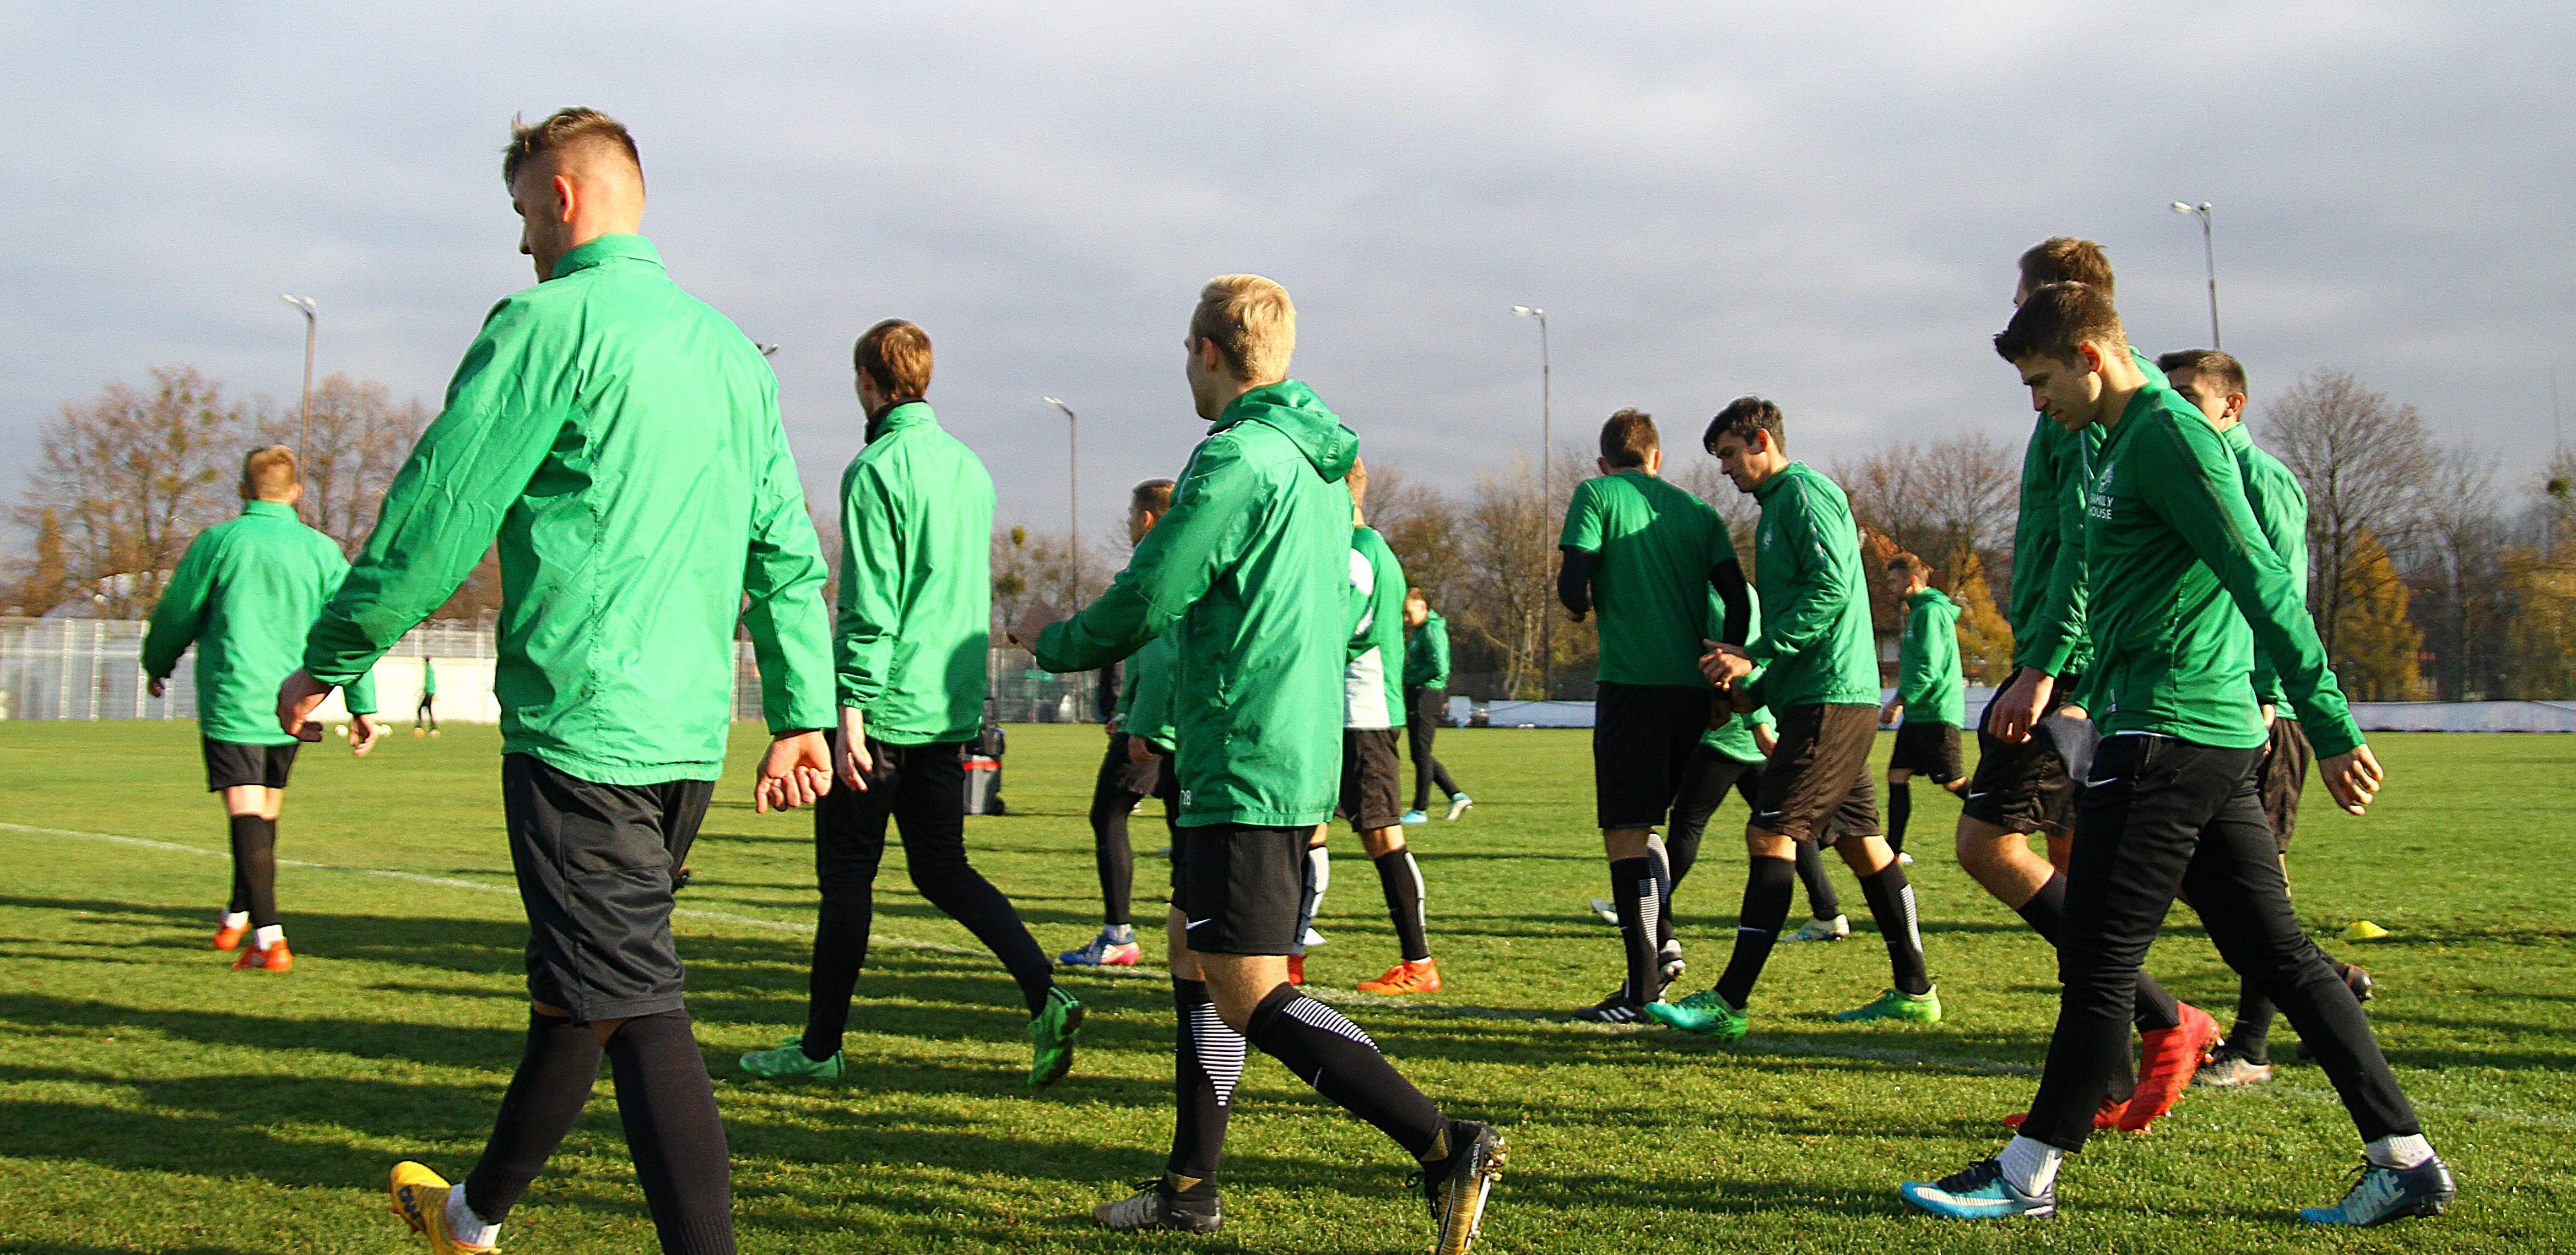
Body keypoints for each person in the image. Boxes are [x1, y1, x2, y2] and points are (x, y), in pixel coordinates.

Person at [282, 108, 838, 1255]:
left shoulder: (546, 323)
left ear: (564, 197)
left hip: (585, 734)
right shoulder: (731, 354)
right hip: (686, 740)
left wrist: (331, 655)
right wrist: (800, 712)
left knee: (633, 999)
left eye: (525, 212)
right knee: (578, 988)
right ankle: (471, 1214)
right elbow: (785, 549)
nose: (523, 239)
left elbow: (438, 516)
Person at [1900, 282, 2453, 1227]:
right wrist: (2059, 672)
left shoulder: (2168, 436)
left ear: (2089, 355)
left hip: (2171, 730)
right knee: (2278, 953)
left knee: (2099, 960)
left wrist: (2329, 725)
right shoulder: (2115, 441)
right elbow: (2107, 586)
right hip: (2180, 730)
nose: (2036, 401)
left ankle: (2026, 1173)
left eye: (2040, 379)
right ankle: (2404, 1156)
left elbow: (2262, 577)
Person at [1021, 275, 1502, 1248]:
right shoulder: (1319, 467)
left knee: (1249, 988)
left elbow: (1153, 592)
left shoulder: (1238, 455)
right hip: (1274, 745)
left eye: (1184, 351)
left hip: (1247, 754)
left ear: (1208, 351)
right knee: (1190, 952)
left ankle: (1443, 1139)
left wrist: (1053, 637)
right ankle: (1189, 1185)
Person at [740, 319, 1081, 1086]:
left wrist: (849, 712)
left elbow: (872, 601)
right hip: (948, 707)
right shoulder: (968, 467)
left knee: (847, 880)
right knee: (942, 869)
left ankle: (820, 1048)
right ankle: (1045, 990)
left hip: (883, 709)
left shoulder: (875, 468)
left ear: (866, 380)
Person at [1957, 238, 2209, 1134]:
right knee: (2074, 867)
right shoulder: (2069, 404)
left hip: (2067, 667)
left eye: (2023, 296)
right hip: (2072, 660)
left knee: (1990, 846)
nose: (2013, 311)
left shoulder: (2093, 410)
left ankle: (2166, 1015)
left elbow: (2086, 546)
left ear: (2064, 301)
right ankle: (2108, 1073)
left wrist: (2045, 668)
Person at [1654, 396, 1938, 1039]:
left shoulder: (1804, 495)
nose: (1723, 468)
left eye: (1729, 453)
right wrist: (1752, 689)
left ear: (1762, 439)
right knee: (1862, 843)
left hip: (1830, 699)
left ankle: (1728, 1001)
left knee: (1770, 834)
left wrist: (1752, 653)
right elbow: (1797, 617)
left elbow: (1829, 591)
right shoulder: (1776, 508)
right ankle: (1914, 989)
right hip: (1821, 695)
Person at [2160, 349, 2375, 1089]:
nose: (2177, 408)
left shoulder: (2262, 480)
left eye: (2191, 396)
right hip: (2205, 705)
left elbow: (2278, 594)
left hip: (2260, 710)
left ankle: (2251, 1045)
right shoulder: (2185, 469)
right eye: (2169, 395)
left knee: (2261, 885)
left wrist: (2266, 693)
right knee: (2203, 877)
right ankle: (2326, 977)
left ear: (2232, 405)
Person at [143, 445, 385, 973]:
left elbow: (178, 612)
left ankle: (270, 938)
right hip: (294, 704)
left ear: (242, 490)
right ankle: (236, 915)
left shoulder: (220, 541)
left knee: (247, 812)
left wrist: (156, 662)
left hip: (235, 699)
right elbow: (350, 627)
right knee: (264, 811)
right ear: (296, 492)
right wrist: (362, 704)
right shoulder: (321, 550)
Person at [1556, 409, 1751, 1023]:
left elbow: (1572, 586)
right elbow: (1737, 596)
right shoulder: (1698, 511)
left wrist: (1580, 606)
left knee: (1627, 833)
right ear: (1657, 458)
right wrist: (1725, 668)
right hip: (1693, 691)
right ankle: (1661, 945)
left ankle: (1641, 992)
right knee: (1654, 828)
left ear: (1603, 462)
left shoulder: (1596, 494)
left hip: (1632, 685)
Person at [1325, 459, 1442, 997]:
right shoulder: (1363, 547)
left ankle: (1418, 961)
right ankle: (1288, 955)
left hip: (1363, 714)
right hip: (1349, 712)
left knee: (1382, 835)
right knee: (1309, 829)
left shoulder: (1359, 549)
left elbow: (1348, 625)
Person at [1063, 479, 1183, 968]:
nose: (1130, 524)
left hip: (1157, 726)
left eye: (1133, 516)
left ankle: (1118, 935)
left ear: (1148, 519)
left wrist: (1141, 722)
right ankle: (1193, 935)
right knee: (1185, 828)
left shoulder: (1152, 570)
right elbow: (1145, 652)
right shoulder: (1193, 561)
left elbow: (1160, 657)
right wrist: (1125, 708)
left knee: (1108, 815)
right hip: (1185, 723)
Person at [1880, 551, 1967, 863]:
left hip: (1936, 712)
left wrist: (1899, 700)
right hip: (1920, 714)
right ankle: (1893, 850)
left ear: (1912, 581)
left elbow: (1929, 667)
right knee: (1897, 775)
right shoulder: (1917, 612)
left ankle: (2000, 824)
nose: (1890, 586)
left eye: (1894, 581)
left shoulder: (1930, 613)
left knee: (1953, 782)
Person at [1399, 589, 1470, 824]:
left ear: (1423, 608)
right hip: (1420, 692)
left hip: (1427, 694)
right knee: (1420, 754)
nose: (1406, 619)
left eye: (1409, 613)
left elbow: (1439, 666)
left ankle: (1420, 809)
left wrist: (1408, 678)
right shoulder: (1422, 630)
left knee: (1421, 754)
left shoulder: (1432, 630)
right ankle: (1456, 795)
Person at [414, 653, 439, 736]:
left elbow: (429, 683)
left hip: (429, 693)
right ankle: (433, 728)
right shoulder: (430, 669)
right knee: (428, 710)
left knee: (421, 709)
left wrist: (425, 692)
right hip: (429, 692)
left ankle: (420, 727)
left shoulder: (429, 670)